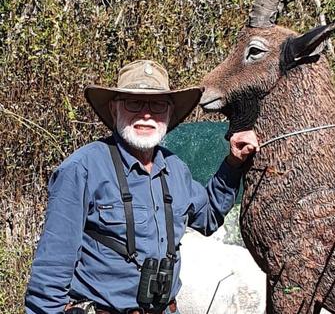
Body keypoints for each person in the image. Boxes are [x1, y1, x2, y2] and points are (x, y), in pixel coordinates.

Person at [24, 60, 258, 314]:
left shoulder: (176, 169)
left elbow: (208, 217)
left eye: (157, 104)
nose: (146, 115)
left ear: (169, 113)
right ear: (114, 110)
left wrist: (233, 163)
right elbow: (52, 267)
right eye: (134, 103)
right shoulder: (82, 169)